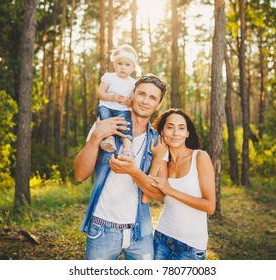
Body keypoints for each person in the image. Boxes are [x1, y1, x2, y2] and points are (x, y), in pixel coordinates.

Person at [74, 74, 167, 260]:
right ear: (132, 94)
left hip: (141, 234)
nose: (145, 101)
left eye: (152, 98)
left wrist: (133, 171)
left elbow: (159, 194)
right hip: (101, 229)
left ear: (158, 105)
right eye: (141, 94)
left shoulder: (158, 141)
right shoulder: (106, 125)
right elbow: (79, 175)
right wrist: (95, 138)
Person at [149, 108, 216, 260]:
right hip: (162, 238)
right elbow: (154, 193)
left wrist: (171, 191)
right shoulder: (164, 162)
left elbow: (210, 206)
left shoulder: (200, 157)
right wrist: (158, 157)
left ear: (187, 133)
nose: (175, 133)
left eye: (181, 128)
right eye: (170, 127)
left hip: (190, 247)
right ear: (162, 132)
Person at [96, 44, 139, 158]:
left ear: (133, 67)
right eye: (119, 64)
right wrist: (111, 97)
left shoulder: (133, 83)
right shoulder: (109, 77)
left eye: (127, 64)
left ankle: (127, 148)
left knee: (126, 125)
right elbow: (99, 93)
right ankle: (109, 139)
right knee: (104, 116)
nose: (123, 67)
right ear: (114, 64)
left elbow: (133, 103)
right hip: (107, 106)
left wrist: (126, 101)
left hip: (122, 109)